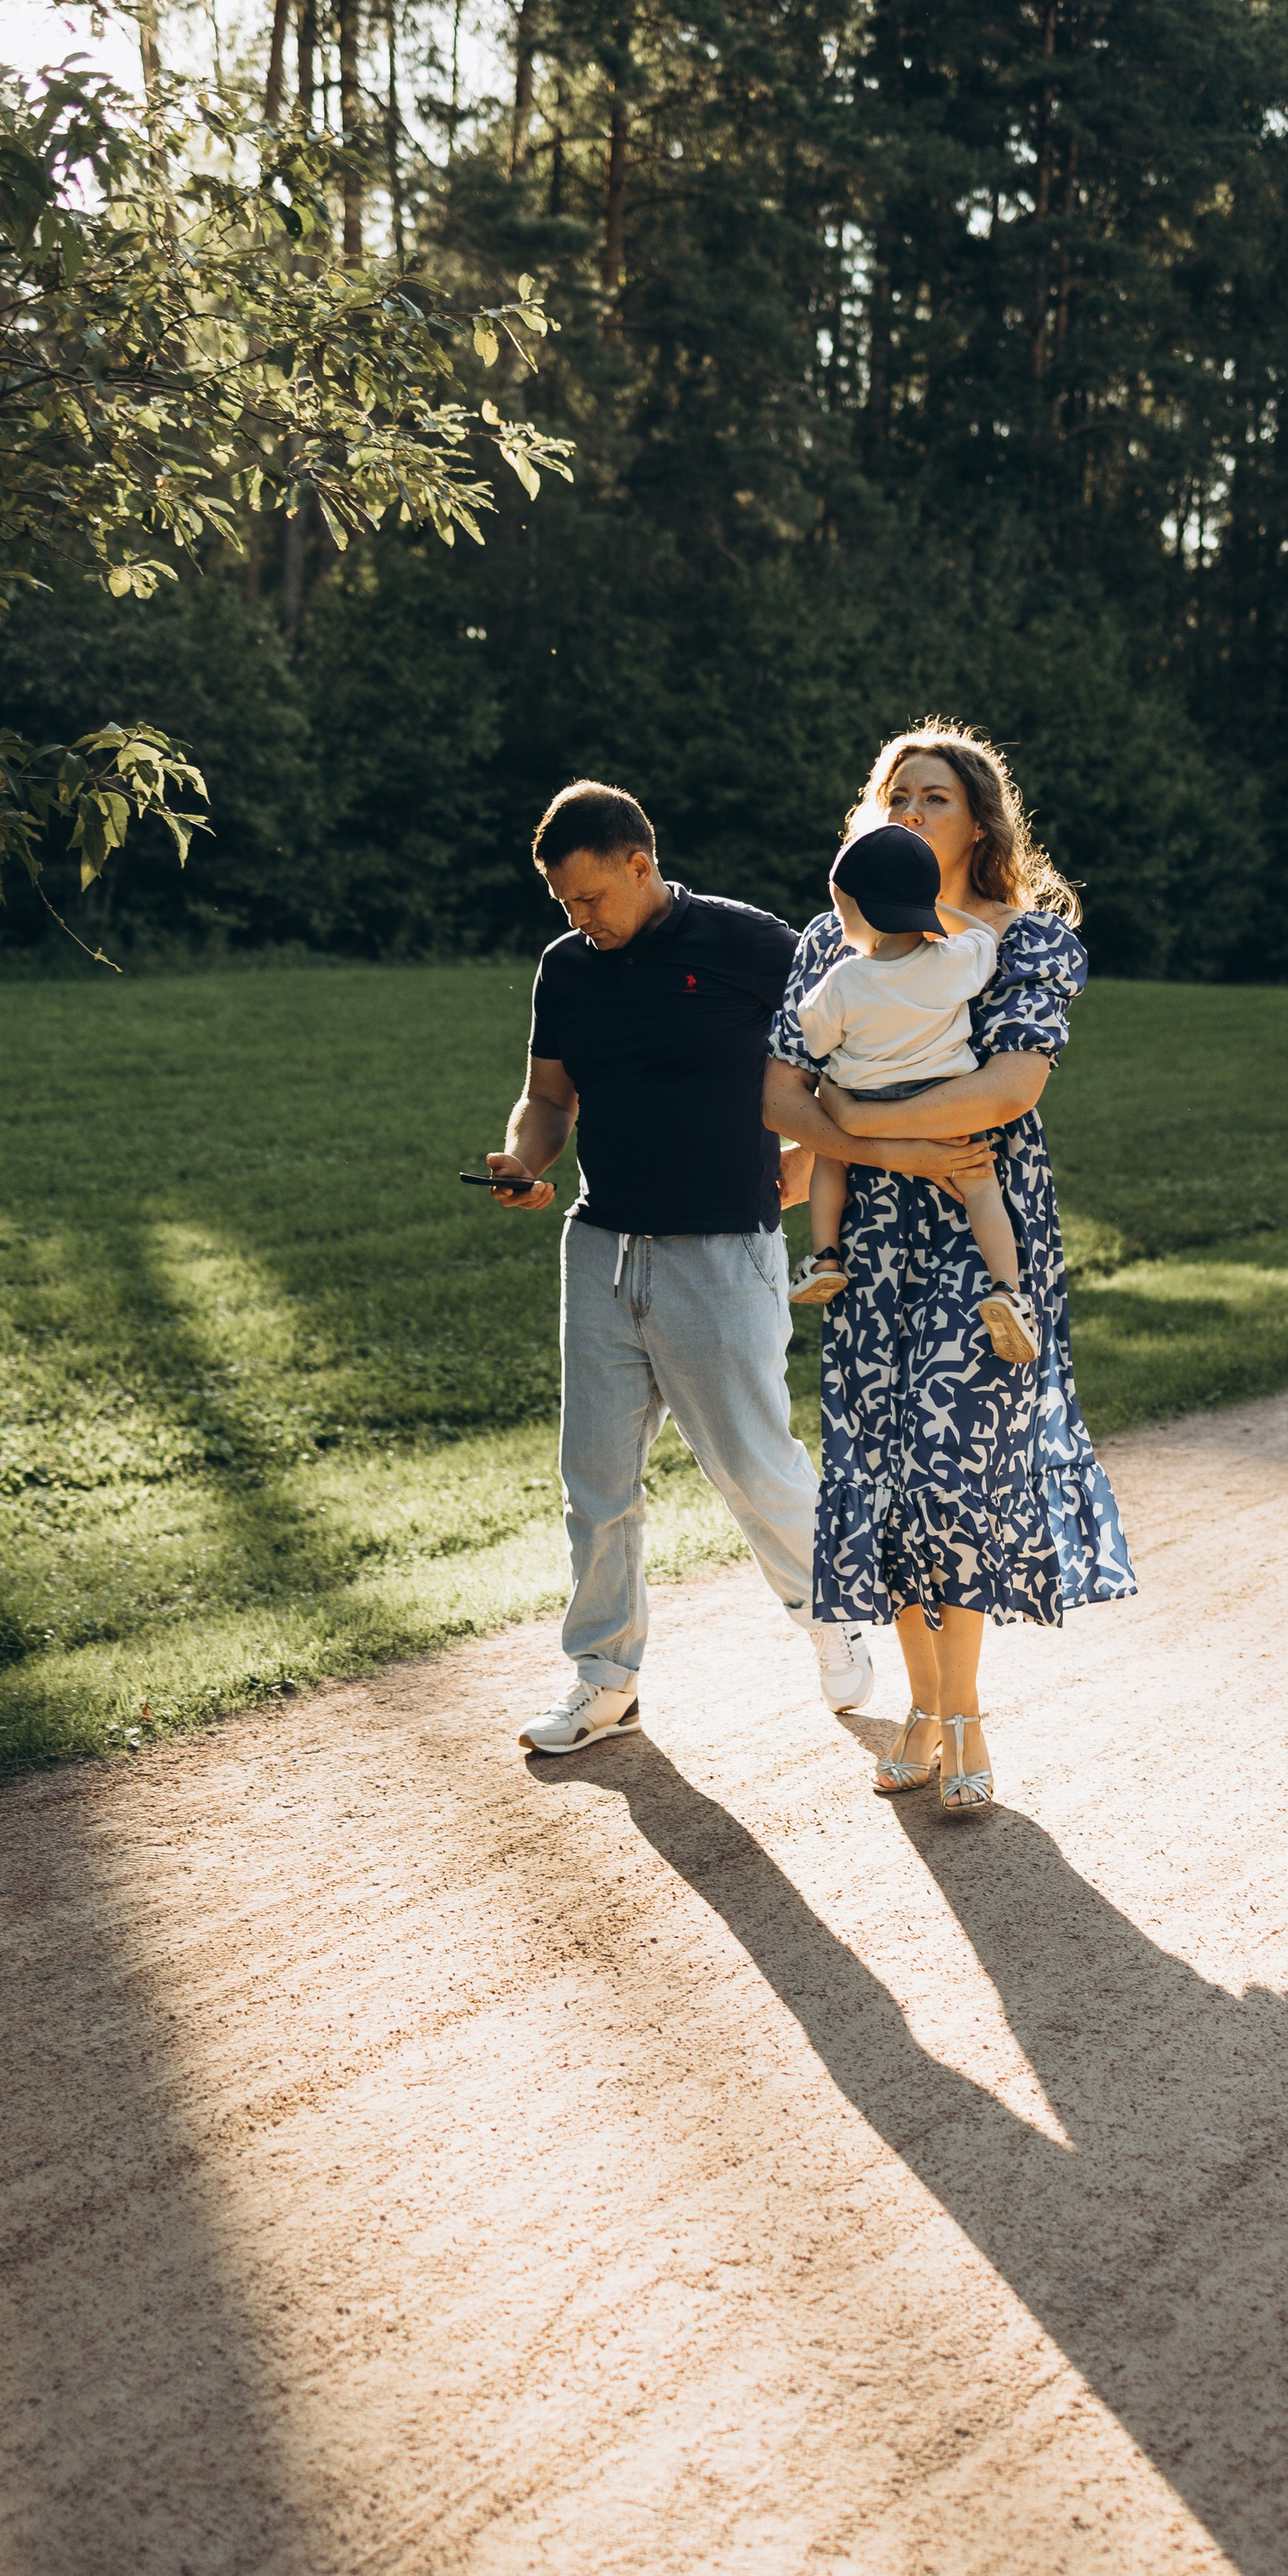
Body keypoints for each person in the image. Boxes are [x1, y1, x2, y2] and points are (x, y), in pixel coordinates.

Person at [764, 725, 1136, 1817]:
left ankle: (962, 1715)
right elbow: (780, 1094)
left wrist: (861, 1123)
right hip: (871, 1235)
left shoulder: (1025, 940)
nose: (912, 812)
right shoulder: (831, 941)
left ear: (980, 822)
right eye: (896, 797)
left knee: (955, 1467)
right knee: (887, 1474)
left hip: (984, 1230)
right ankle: (925, 1711)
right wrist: (894, 1150)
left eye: (933, 797)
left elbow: (1010, 1087)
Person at [484, 778, 884, 1753]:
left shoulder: (752, 945)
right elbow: (549, 1100)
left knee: (751, 1466)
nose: (579, 919)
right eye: (563, 904)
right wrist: (525, 1160)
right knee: (596, 1482)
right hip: (602, 1248)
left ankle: (835, 1613)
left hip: (721, 1251)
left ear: (640, 864)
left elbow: (851, 1064)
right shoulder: (565, 968)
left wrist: (801, 1173)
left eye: (590, 897)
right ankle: (605, 1679)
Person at [786, 821, 1039, 1364]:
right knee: (980, 1188)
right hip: (942, 1103)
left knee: (831, 1158)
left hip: (866, 1100)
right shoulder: (952, 962)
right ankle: (1007, 1291)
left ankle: (825, 1257)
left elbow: (816, 1038)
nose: (839, 920)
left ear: (860, 909)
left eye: (841, 908)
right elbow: (984, 936)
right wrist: (934, 907)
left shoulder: (843, 981)